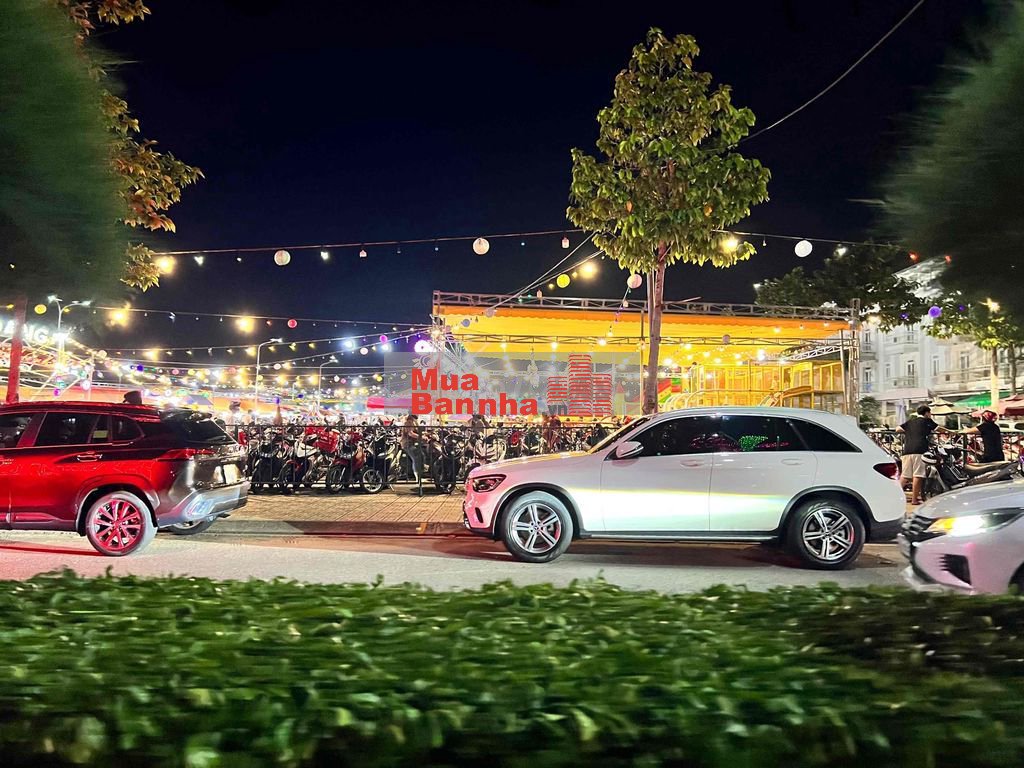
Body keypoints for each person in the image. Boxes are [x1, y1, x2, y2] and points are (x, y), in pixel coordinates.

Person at [897, 405, 949, 505]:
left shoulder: (910, 422)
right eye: (930, 413)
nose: (930, 415)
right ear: (926, 413)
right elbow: (939, 429)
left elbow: (897, 429)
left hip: (907, 450)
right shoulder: (927, 421)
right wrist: (950, 432)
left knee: (905, 475)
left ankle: (893, 495)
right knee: (918, 475)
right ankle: (914, 500)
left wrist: (910, 431)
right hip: (919, 450)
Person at [400, 413, 423, 487]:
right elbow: (410, 433)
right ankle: (417, 477)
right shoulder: (409, 422)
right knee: (416, 458)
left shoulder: (413, 422)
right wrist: (421, 437)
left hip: (412, 443)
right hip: (408, 444)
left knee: (420, 455)